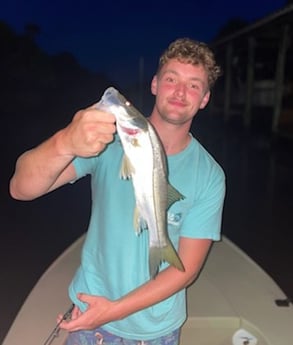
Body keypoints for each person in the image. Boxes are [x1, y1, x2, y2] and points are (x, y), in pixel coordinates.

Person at [10, 37, 225, 345]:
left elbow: (185, 270)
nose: (180, 92)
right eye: (171, 79)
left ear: (204, 98)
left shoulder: (210, 175)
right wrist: (65, 142)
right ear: (154, 85)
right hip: (89, 317)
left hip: (156, 333)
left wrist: (112, 311)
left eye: (193, 85)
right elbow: (20, 189)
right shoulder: (106, 141)